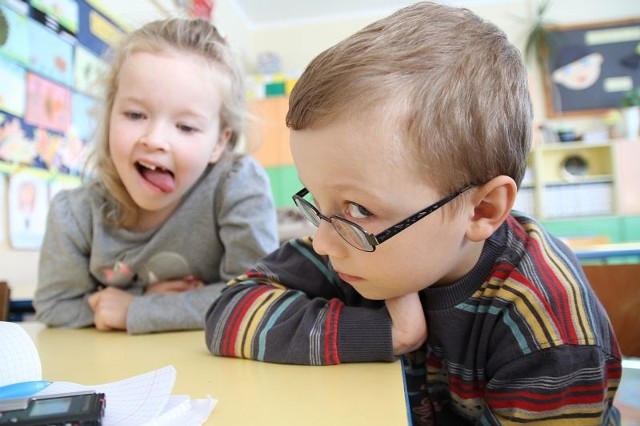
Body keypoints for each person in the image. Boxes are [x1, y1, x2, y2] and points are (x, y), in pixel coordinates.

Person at [204, 2, 622, 425]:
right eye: (317, 199)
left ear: (481, 209)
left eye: (359, 209)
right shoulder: (355, 246)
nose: (323, 243)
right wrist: (385, 332)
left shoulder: (551, 336)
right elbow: (228, 313)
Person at [34, 18, 279, 334]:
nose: (155, 139)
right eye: (135, 115)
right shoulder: (74, 213)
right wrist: (143, 297)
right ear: (109, 117)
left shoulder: (237, 183)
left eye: (186, 127)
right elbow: (55, 306)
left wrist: (137, 309)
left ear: (219, 142)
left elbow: (257, 297)